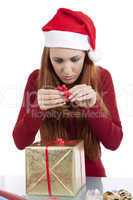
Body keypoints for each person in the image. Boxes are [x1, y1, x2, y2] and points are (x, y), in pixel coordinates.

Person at [12, 7, 123, 177]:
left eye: (74, 59)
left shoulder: (102, 77)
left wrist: (93, 107)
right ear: (48, 58)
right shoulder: (36, 79)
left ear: (86, 56)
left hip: (92, 178)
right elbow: (20, 142)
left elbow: (114, 143)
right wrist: (36, 109)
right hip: (51, 177)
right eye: (58, 60)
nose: (67, 70)